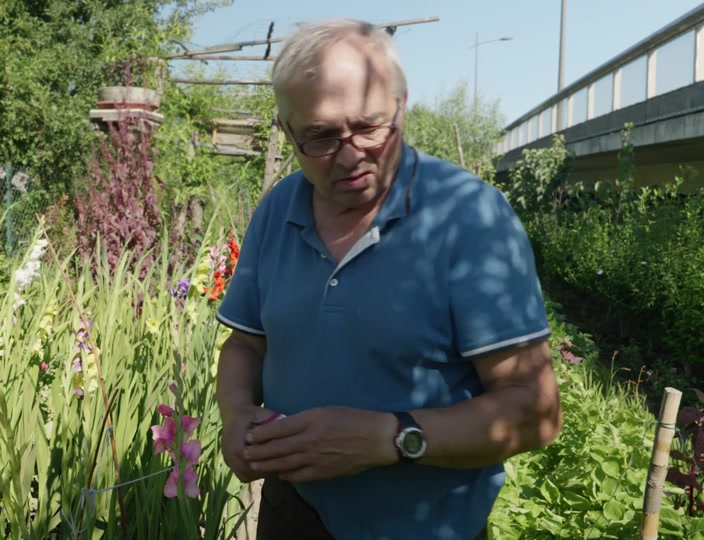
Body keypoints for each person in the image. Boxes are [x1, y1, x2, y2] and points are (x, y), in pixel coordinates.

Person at [214, 18, 563, 540]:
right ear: (287, 131)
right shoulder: (277, 210)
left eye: (369, 126)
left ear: (401, 107)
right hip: (294, 508)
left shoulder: (467, 217)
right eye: (321, 136)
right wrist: (237, 414)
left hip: (424, 525)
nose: (351, 155)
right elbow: (246, 346)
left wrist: (391, 438)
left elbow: (535, 410)